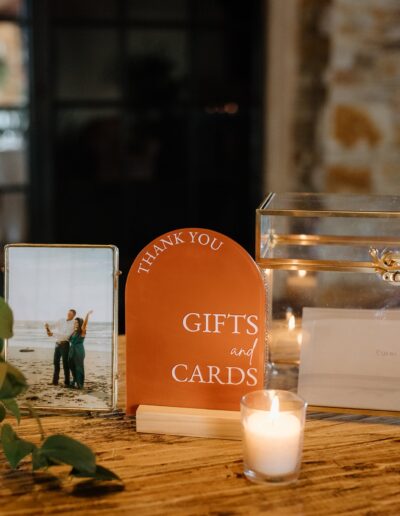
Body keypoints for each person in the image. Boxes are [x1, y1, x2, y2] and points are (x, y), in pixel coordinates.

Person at [45, 309, 76, 387]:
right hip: (57, 344)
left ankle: (67, 383)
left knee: (66, 364)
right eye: (68, 313)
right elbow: (52, 326)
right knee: (56, 363)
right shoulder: (61, 320)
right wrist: (47, 327)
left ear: (73, 315)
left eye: (71, 314)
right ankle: (55, 382)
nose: (69, 315)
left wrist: (52, 333)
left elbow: (66, 335)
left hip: (65, 345)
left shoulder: (73, 324)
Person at [69, 310, 93, 389]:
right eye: (75, 322)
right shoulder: (73, 332)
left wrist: (87, 315)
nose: (75, 324)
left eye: (77, 322)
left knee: (79, 367)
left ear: (80, 323)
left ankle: (80, 384)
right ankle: (74, 380)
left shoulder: (82, 331)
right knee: (71, 366)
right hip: (71, 351)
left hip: (79, 351)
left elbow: (85, 324)